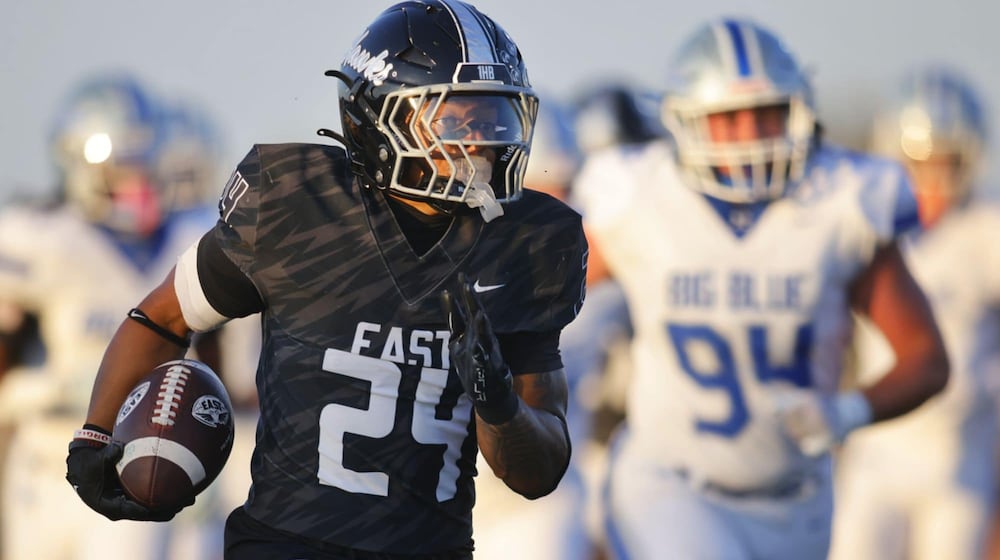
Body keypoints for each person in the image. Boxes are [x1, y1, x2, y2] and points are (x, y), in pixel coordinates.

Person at [64, 1, 588, 559]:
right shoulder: (297, 202)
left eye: (493, 117)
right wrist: (98, 433)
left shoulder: (528, 241)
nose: (482, 141)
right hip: (285, 544)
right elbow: (162, 318)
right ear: (383, 116)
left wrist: (499, 401)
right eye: (455, 118)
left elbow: (538, 474)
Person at [574, 17, 949, 559]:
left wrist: (846, 412)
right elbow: (542, 295)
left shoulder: (841, 201)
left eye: (766, 113)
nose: (750, 135)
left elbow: (927, 359)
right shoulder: (638, 198)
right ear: (685, 122)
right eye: (729, 119)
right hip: (671, 487)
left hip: (797, 503)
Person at [0, 73, 223, 559]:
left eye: (144, 160)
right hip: (38, 465)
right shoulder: (38, 237)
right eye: (121, 164)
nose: (136, 180)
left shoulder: (190, 234)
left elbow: (224, 364)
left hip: (131, 457)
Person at [829, 66, 1000, 560]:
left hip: (961, 455)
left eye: (949, 161)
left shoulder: (986, 228)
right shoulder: (867, 224)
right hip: (879, 451)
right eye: (922, 161)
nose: (936, 179)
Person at [471, 94, 632, 560]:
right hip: (438, 497)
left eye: (564, 189)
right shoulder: (437, 265)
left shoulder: (603, 281)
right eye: (539, 191)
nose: (555, 209)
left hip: (541, 505)